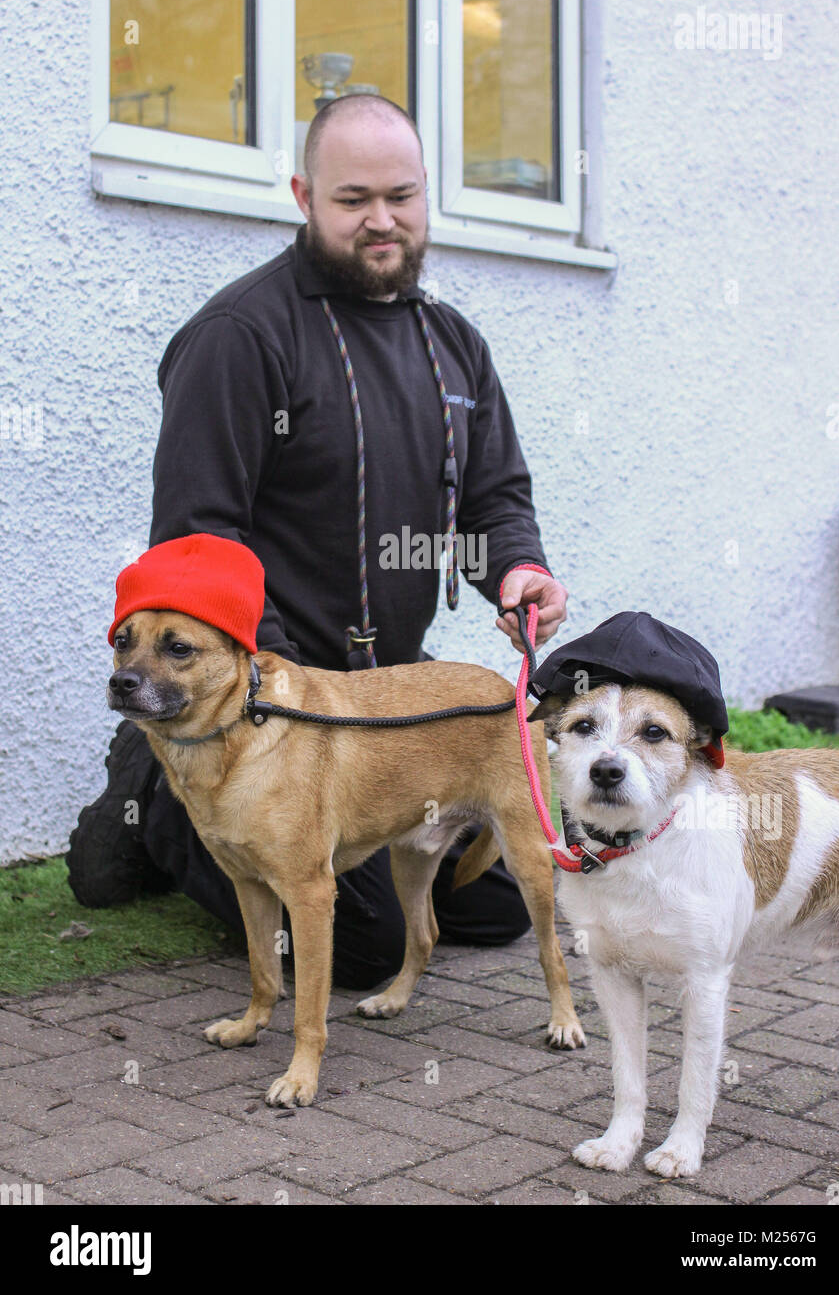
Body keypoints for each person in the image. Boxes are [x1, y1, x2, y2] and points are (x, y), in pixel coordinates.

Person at [67, 94, 569, 989]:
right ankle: (158, 808)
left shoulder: (456, 345)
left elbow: (496, 499)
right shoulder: (241, 337)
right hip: (273, 703)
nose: (382, 219)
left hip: (384, 708)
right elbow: (193, 544)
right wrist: (254, 687)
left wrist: (518, 570)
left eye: (402, 195)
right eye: (352, 198)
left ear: (427, 197)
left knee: (492, 906)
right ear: (303, 195)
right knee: (365, 948)